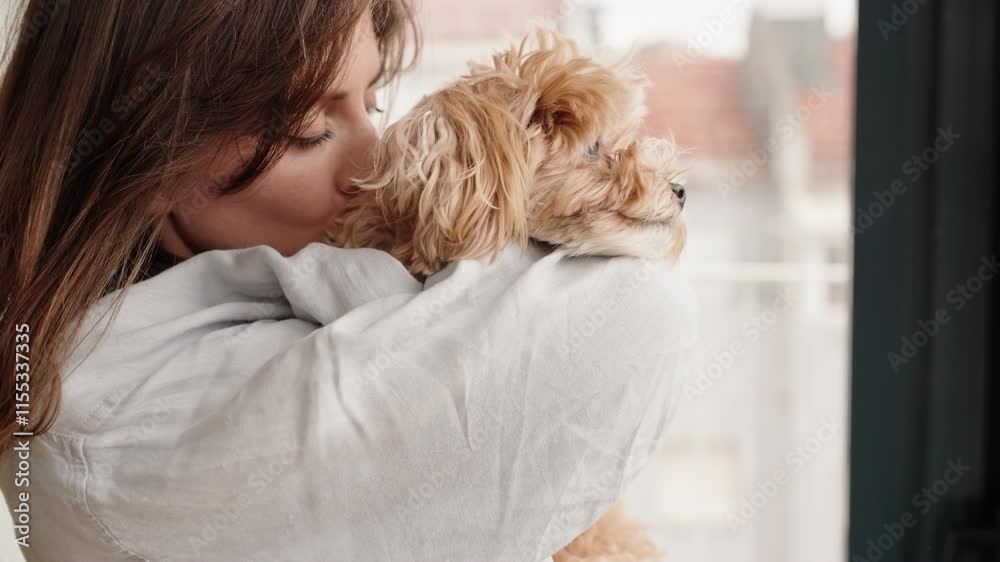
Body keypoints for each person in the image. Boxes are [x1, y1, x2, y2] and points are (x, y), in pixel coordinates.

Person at [0, 1, 697, 560]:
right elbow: (631, 313)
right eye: (308, 129)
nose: (374, 161)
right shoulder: (110, 424)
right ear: (142, 156)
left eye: (375, 101)